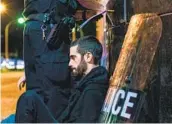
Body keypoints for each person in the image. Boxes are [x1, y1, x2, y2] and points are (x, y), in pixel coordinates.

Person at [15, 35, 109, 123]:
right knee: (11, 118)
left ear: (88, 57)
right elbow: (56, 73)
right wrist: (30, 75)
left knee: (29, 99)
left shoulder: (93, 90)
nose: (70, 64)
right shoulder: (85, 80)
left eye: (73, 58)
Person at [18, 0, 77, 115]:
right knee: (56, 93)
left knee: (37, 92)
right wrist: (101, 6)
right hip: (49, 29)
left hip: (34, 26)